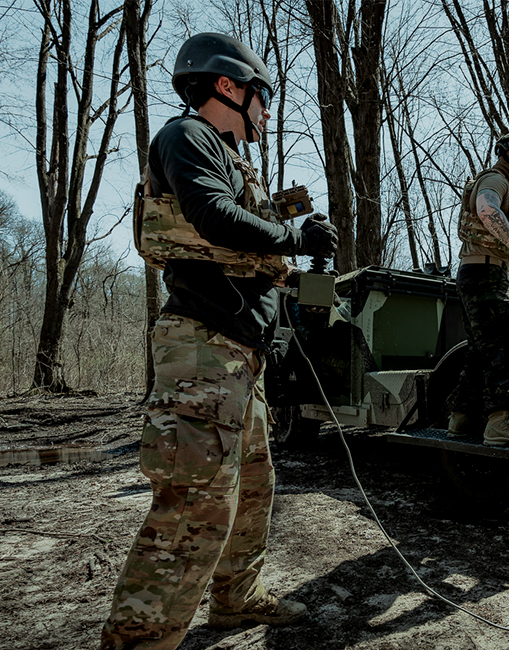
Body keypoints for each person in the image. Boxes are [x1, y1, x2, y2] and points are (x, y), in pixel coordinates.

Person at [100, 33, 337, 650]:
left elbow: (245, 246)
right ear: (228, 86)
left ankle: (235, 598)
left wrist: (294, 265)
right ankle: (138, 641)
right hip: (202, 349)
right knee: (194, 508)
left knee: (254, 487)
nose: (265, 110)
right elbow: (210, 216)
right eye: (262, 96)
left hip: (238, 355)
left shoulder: (233, 159)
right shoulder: (189, 136)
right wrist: (295, 236)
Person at [446, 131, 509, 446]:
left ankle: (461, 418)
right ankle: (500, 421)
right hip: (485, 272)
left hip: (474, 272)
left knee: (480, 350)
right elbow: (488, 211)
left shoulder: (493, 179)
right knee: (502, 344)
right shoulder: (497, 179)